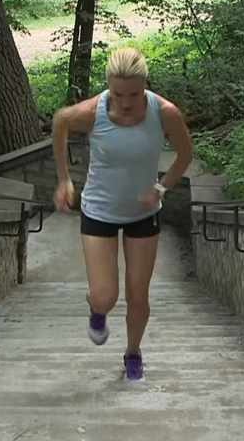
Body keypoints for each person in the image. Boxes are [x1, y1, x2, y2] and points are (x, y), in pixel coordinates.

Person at [51, 48, 193, 381]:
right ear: (108, 87)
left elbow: (185, 155)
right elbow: (60, 121)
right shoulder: (90, 113)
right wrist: (63, 178)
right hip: (99, 210)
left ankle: (133, 352)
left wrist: (160, 190)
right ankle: (97, 311)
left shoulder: (166, 113)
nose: (126, 102)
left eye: (134, 94)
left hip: (143, 215)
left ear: (145, 85)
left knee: (136, 293)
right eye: (117, 94)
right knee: (105, 296)